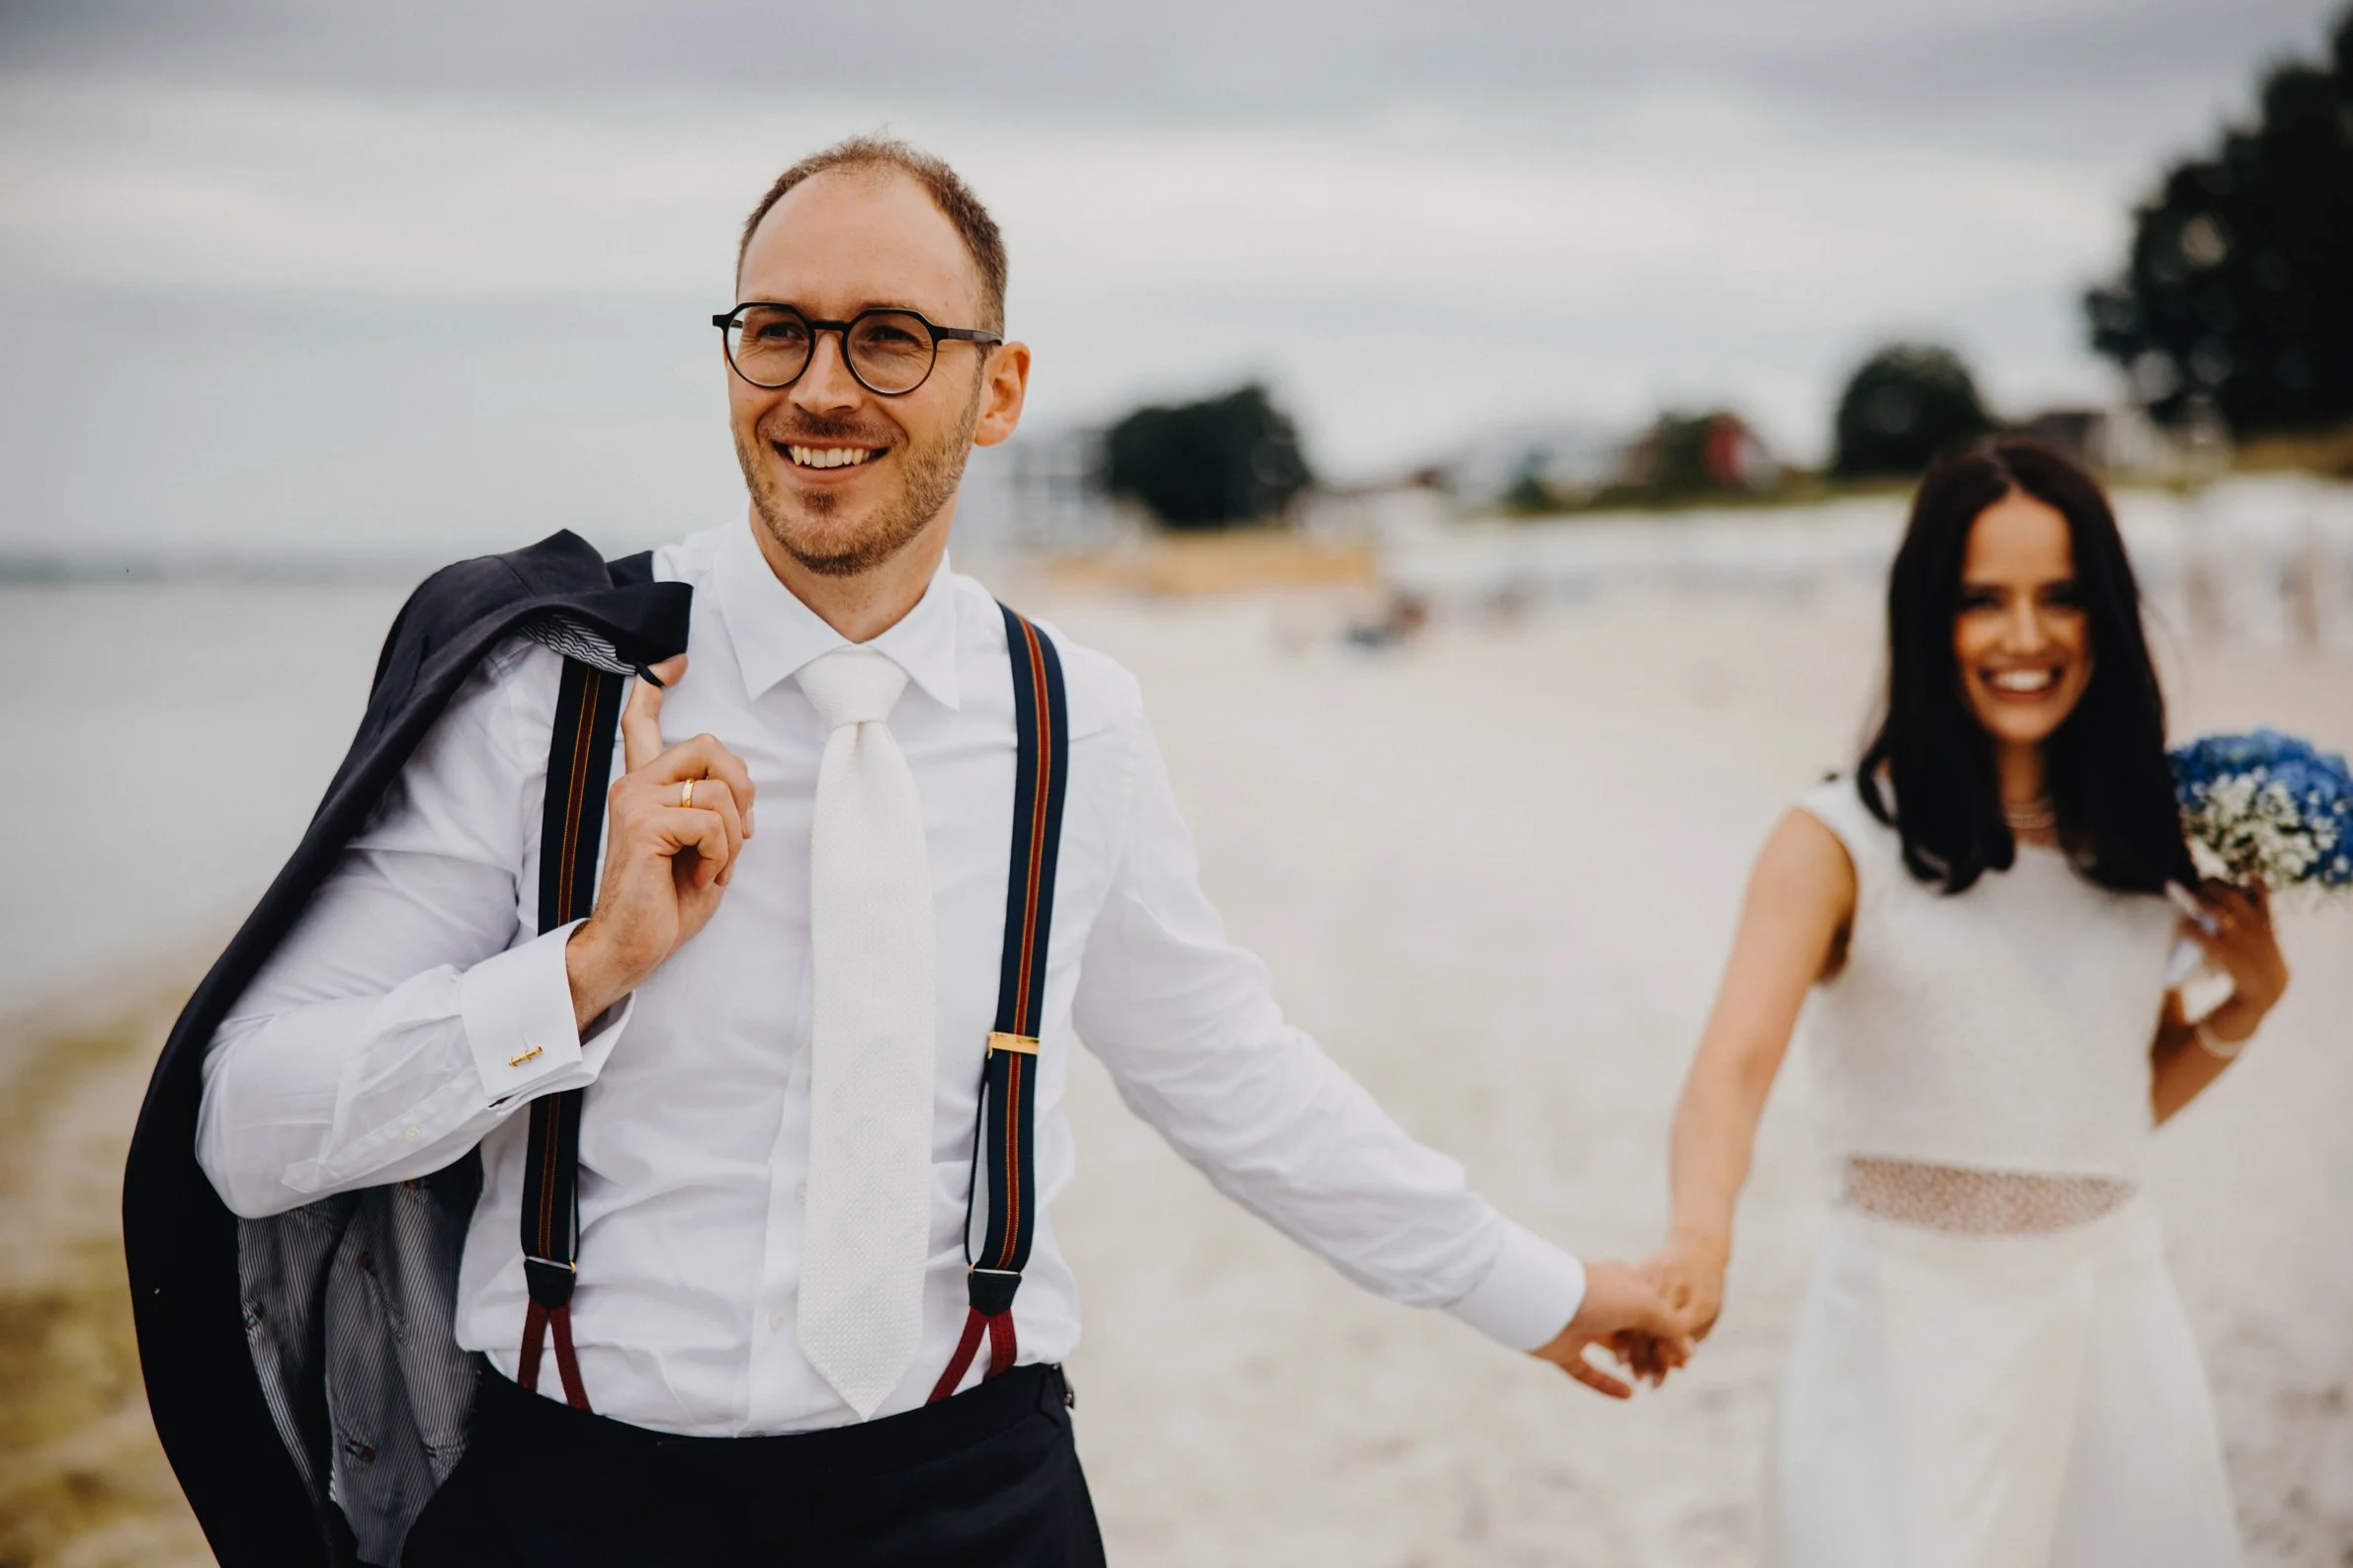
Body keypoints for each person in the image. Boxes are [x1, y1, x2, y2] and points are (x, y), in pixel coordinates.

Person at [170, 136, 1685, 1567]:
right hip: (580, 1497)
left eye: (888, 334)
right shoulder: (546, 691)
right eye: (779, 330)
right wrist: (582, 967)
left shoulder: (1074, 719)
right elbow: (245, 1118)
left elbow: (1230, 1072)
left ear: (999, 384)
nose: (821, 385)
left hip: (973, 1497)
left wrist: (1531, 1289)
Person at [1639, 438, 2287, 1566]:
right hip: (1901, 1336)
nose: (2023, 638)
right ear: (1925, 618)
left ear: (2105, 618)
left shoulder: (2142, 844)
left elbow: (2095, 1107)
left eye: (2059, 600)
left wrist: (2248, 1003)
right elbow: (1730, 1070)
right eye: (1981, 601)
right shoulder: (1835, 841)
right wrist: (1699, 1236)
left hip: (2110, 1329)